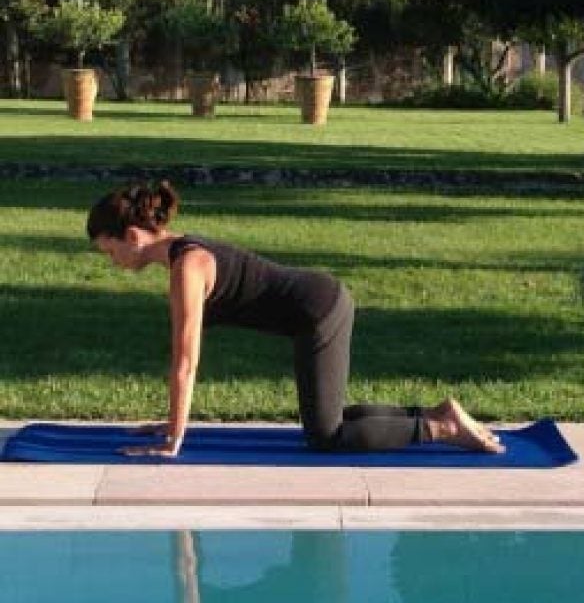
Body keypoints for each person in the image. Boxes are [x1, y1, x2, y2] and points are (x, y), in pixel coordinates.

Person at [86, 181, 504, 458]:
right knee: (328, 419)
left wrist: (173, 439)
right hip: (319, 305)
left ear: (134, 237)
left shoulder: (187, 267)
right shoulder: (183, 255)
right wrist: (173, 422)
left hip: (318, 311)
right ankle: (434, 412)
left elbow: (185, 361)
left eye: (109, 251)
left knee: (326, 437)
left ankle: (443, 428)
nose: (113, 262)